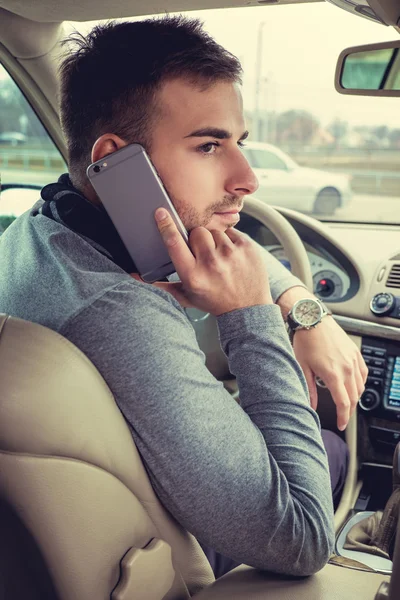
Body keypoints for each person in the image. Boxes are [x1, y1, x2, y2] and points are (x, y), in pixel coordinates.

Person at [0, 16, 367, 578]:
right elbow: (303, 538)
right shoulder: (117, 315)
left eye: (239, 143)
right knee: (334, 446)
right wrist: (252, 318)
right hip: (174, 556)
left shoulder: (42, 229)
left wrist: (303, 306)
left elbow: (220, 237)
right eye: (208, 146)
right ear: (115, 160)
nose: (248, 177)